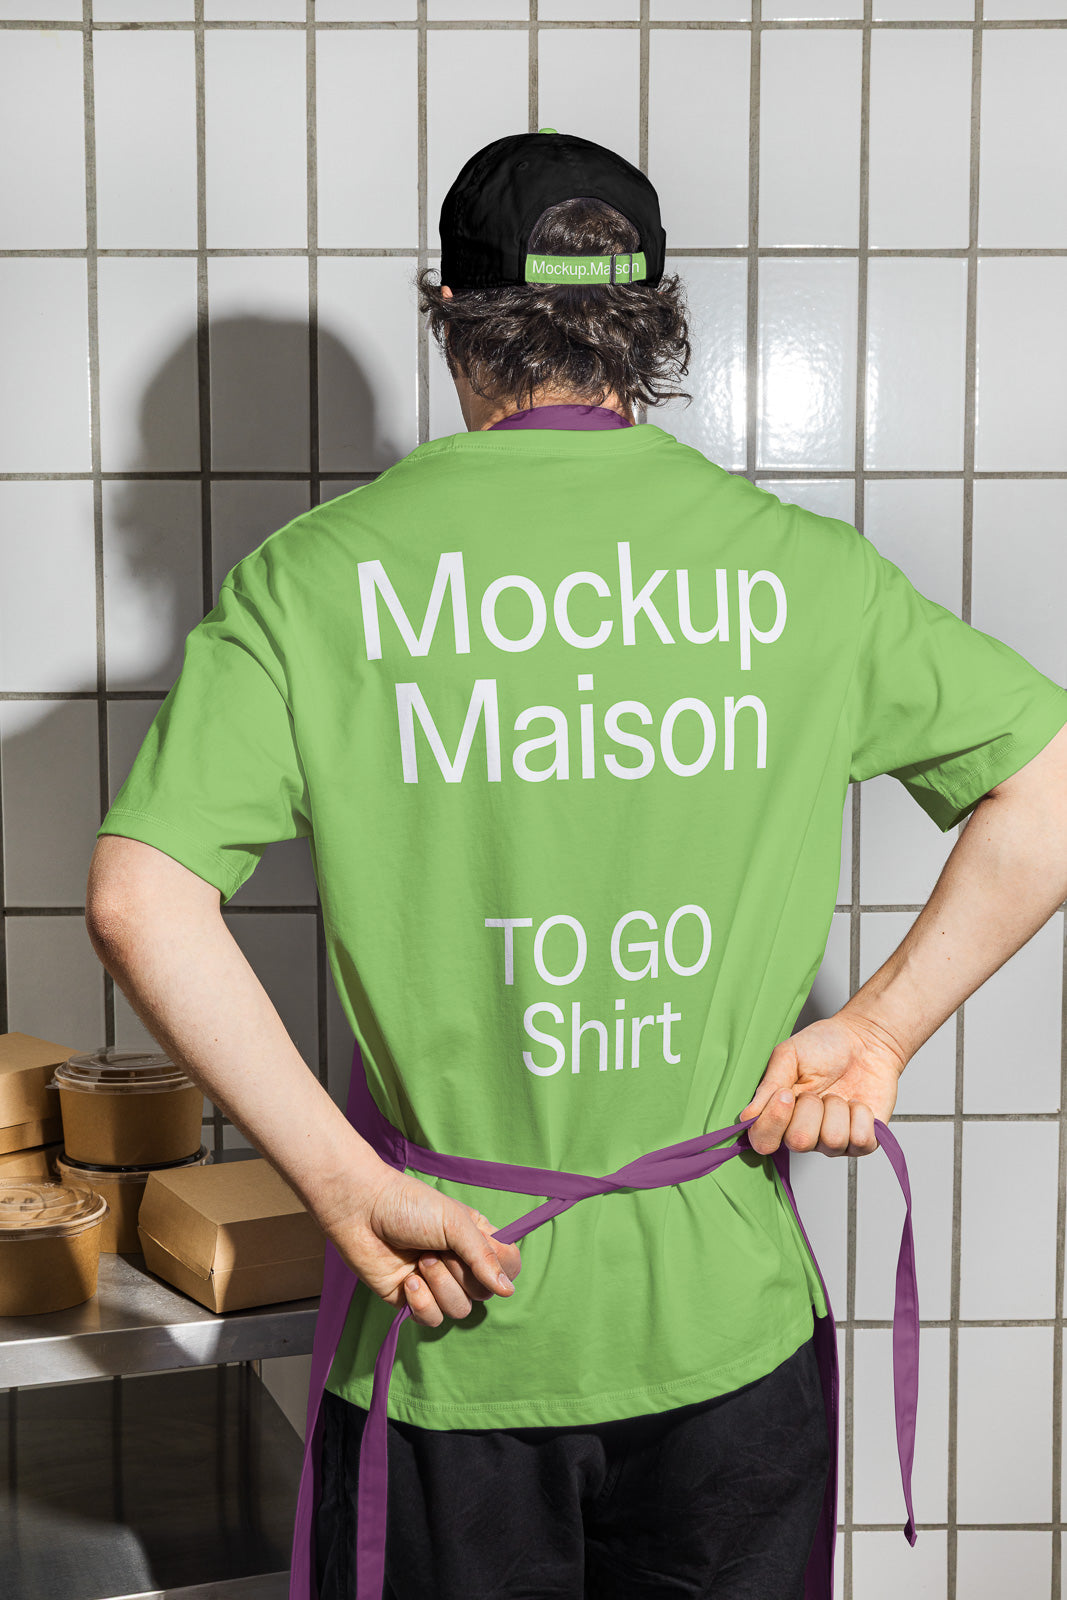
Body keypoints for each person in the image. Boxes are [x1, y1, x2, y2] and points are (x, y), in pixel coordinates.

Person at [84, 129, 1067, 1600]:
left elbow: (138, 896)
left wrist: (341, 1185)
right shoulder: (803, 570)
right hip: (730, 1340)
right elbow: (1048, 786)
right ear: (653, 322)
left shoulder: (315, 583)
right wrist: (876, 1032)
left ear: (449, 316)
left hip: (452, 1319)